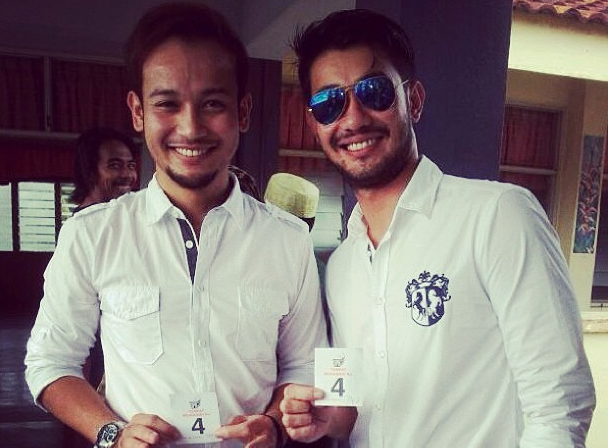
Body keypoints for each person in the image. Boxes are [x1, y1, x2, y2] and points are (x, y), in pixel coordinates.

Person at [280, 9, 596, 448]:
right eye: (329, 103)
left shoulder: (497, 217)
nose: (352, 119)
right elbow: (366, 408)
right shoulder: (343, 266)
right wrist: (330, 420)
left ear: (414, 100)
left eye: (373, 91)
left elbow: (560, 405)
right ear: (315, 124)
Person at [25, 3, 327, 448]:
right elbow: (50, 362)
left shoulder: (287, 239)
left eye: (213, 104)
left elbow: (304, 364)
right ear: (138, 112)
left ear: (243, 112)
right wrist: (112, 433)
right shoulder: (92, 235)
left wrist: (274, 424)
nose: (190, 127)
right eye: (167, 103)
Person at [70, 127, 139, 212]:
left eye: (131, 165)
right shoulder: (86, 219)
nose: (126, 174)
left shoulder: (122, 213)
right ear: (90, 171)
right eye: (115, 165)